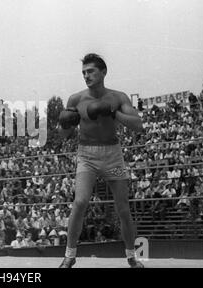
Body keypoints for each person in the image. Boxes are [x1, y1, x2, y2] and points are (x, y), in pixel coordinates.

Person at [58, 53, 144, 268]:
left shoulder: (118, 97)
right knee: (80, 202)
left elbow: (138, 124)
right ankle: (69, 255)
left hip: (112, 156)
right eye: (83, 72)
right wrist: (65, 123)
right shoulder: (76, 99)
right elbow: (64, 135)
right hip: (87, 156)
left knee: (122, 208)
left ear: (103, 72)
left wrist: (113, 114)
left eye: (90, 71)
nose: (86, 76)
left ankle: (132, 257)